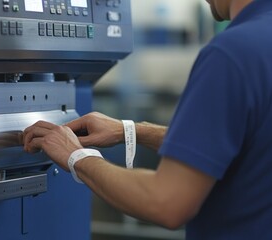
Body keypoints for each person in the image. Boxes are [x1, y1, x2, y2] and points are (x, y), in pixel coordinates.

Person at [23, 0, 272, 238]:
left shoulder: (232, 53)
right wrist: (131, 131)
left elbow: (166, 202)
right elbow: (244, 142)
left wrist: (76, 156)